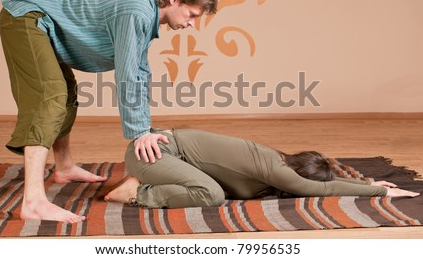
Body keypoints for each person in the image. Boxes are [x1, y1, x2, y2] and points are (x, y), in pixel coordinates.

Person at [0, 0, 218, 222]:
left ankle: (64, 166)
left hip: (38, 19)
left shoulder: (145, 14)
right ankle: (33, 202)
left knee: (66, 92)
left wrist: (145, 128)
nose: (191, 24)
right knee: (50, 98)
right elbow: (126, 75)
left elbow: (139, 73)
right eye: (192, 15)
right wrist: (138, 133)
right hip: (25, 16)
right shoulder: (136, 11)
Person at [104, 129, 420, 208]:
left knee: (211, 188)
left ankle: (150, 177)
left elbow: (323, 181)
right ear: (295, 174)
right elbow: (318, 188)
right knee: (211, 195)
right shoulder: (276, 169)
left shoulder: (278, 162)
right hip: (152, 151)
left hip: (160, 156)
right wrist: (377, 190)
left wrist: (370, 181)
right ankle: (138, 191)